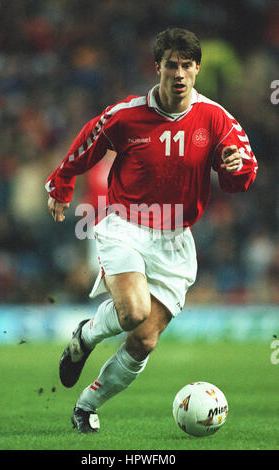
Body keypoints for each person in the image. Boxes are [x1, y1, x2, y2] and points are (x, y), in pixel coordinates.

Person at [45, 27, 258, 434]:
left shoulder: (216, 119)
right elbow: (89, 138)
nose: (179, 74)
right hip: (125, 226)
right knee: (133, 312)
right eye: (171, 65)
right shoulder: (127, 115)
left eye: (186, 66)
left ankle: (86, 403)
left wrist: (236, 169)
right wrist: (61, 183)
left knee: (143, 340)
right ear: (157, 67)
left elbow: (243, 170)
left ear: (197, 69)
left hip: (177, 240)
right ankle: (87, 335)